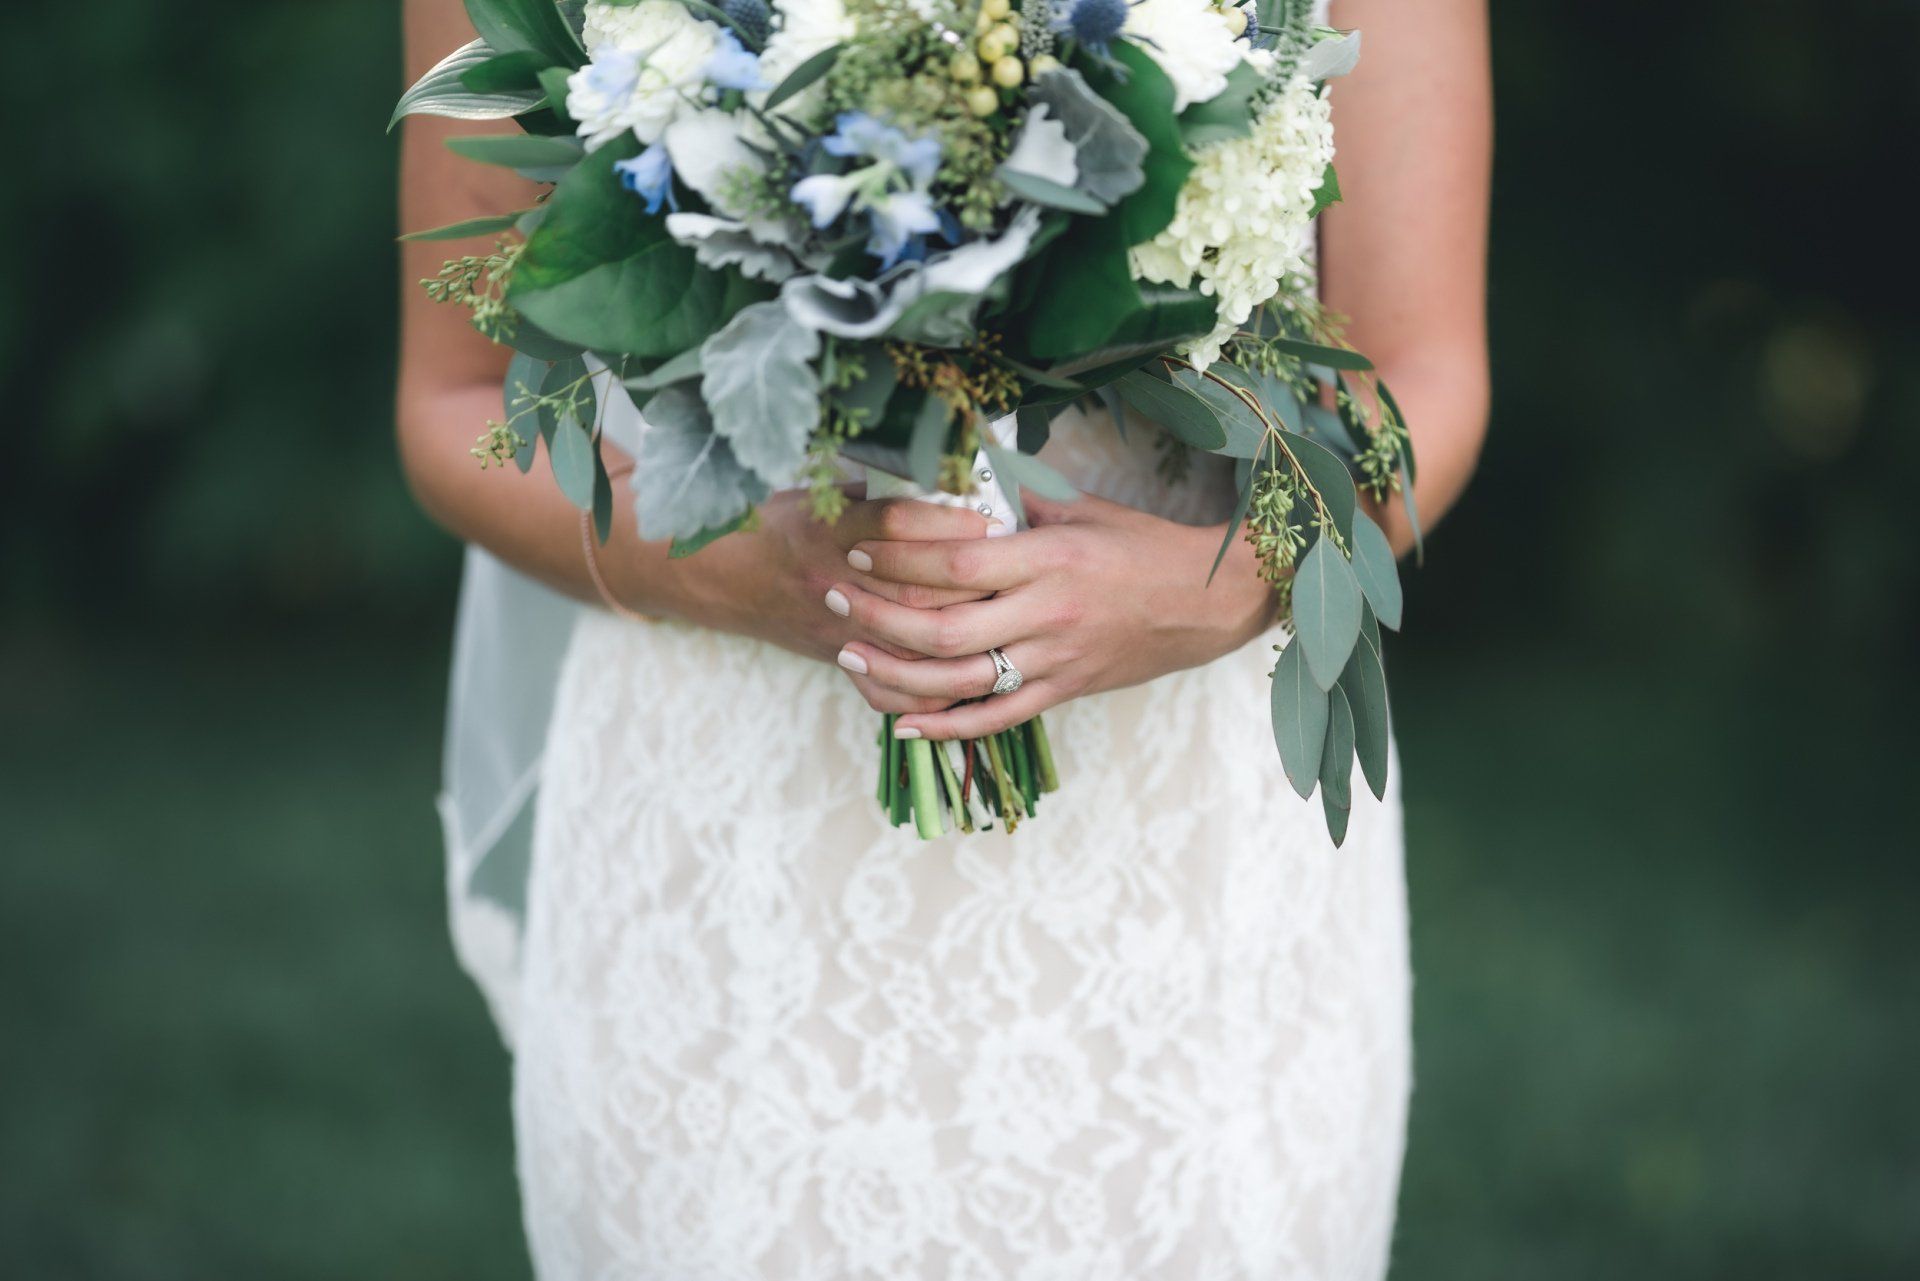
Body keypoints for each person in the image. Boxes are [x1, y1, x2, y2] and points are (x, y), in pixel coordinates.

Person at [397, 1, 1490, 1275]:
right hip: (732, 844)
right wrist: (738, 568)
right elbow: (454, 399)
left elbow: (1421, 370)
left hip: (1184, 845)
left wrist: (1221, 586)